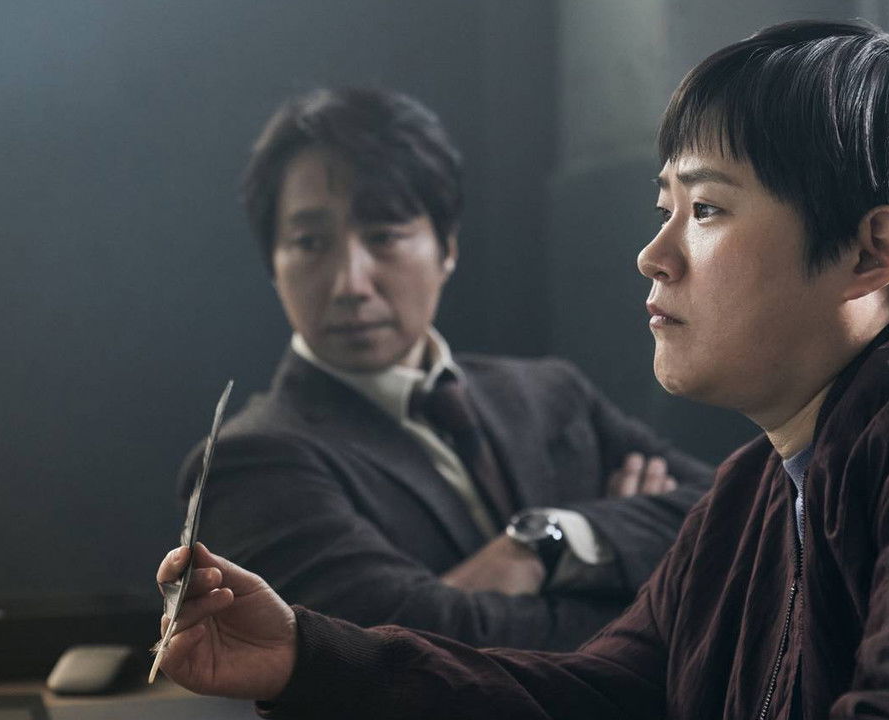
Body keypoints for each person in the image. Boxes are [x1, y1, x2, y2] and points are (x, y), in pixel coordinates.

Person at [156, 20, 889, 719]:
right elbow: (606, 690)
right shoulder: (753, 484)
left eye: (707, 210)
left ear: (872, 251)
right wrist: (306, 655)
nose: (653, 256)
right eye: (666, 210)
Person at [176, 87, 716, 652]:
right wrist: (642, 583)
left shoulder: (550, 393)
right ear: (273, 265)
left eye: (384, 236)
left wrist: (548, 541)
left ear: (447, 247)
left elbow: (733, 511)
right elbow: (406, 652)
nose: (349, 284)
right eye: (310, 243)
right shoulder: (246, 462)